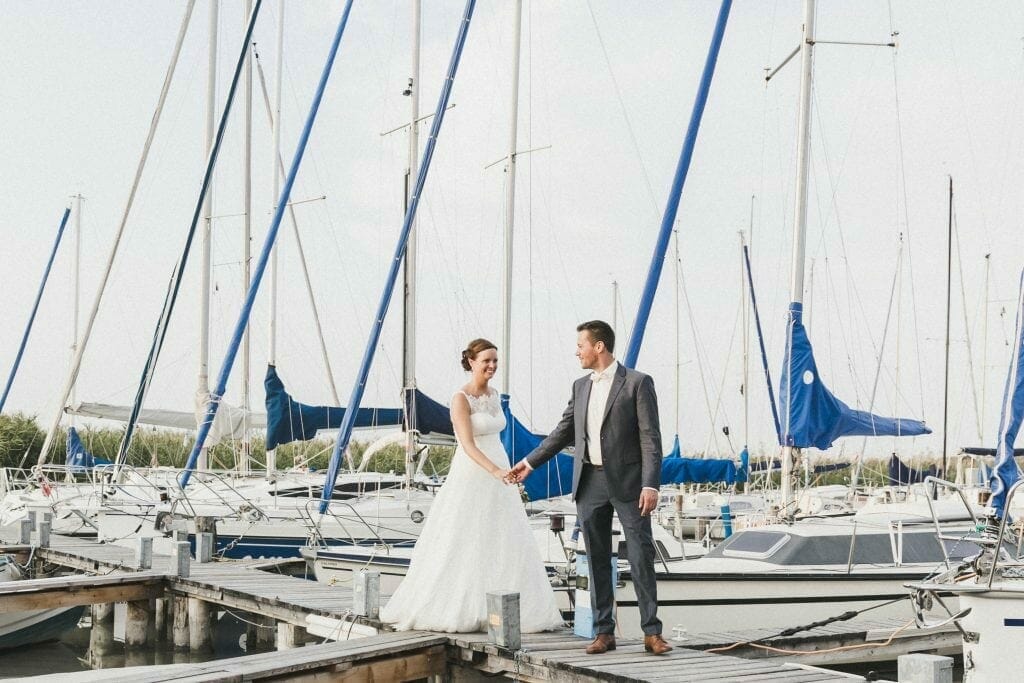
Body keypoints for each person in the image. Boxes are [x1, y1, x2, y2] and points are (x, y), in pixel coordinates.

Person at [508, 320, 671, 655]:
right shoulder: (580, 386)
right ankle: (603, 632)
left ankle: (652, 633)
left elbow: (650, 439)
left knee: (640, 555)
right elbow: (562, 431)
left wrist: (651, 484)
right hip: (589, 482)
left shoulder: (637, 383)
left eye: (580, 345)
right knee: (596, 558)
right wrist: (530, 462)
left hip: (629, 484)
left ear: (599, 346)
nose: (577, 351)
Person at [380, 338, 563, 633]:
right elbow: (466, 443)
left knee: (503, 535)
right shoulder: (460, 398)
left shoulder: (495, 394)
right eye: (486, 361)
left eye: (495, 361)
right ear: (471, 362)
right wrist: (494, 470)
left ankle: (502, 607)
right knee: (465, 534)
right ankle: (460, 605)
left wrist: (505, 470)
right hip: (474, 469)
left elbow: (497, 434)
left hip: (500, 467)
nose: (491, 366)